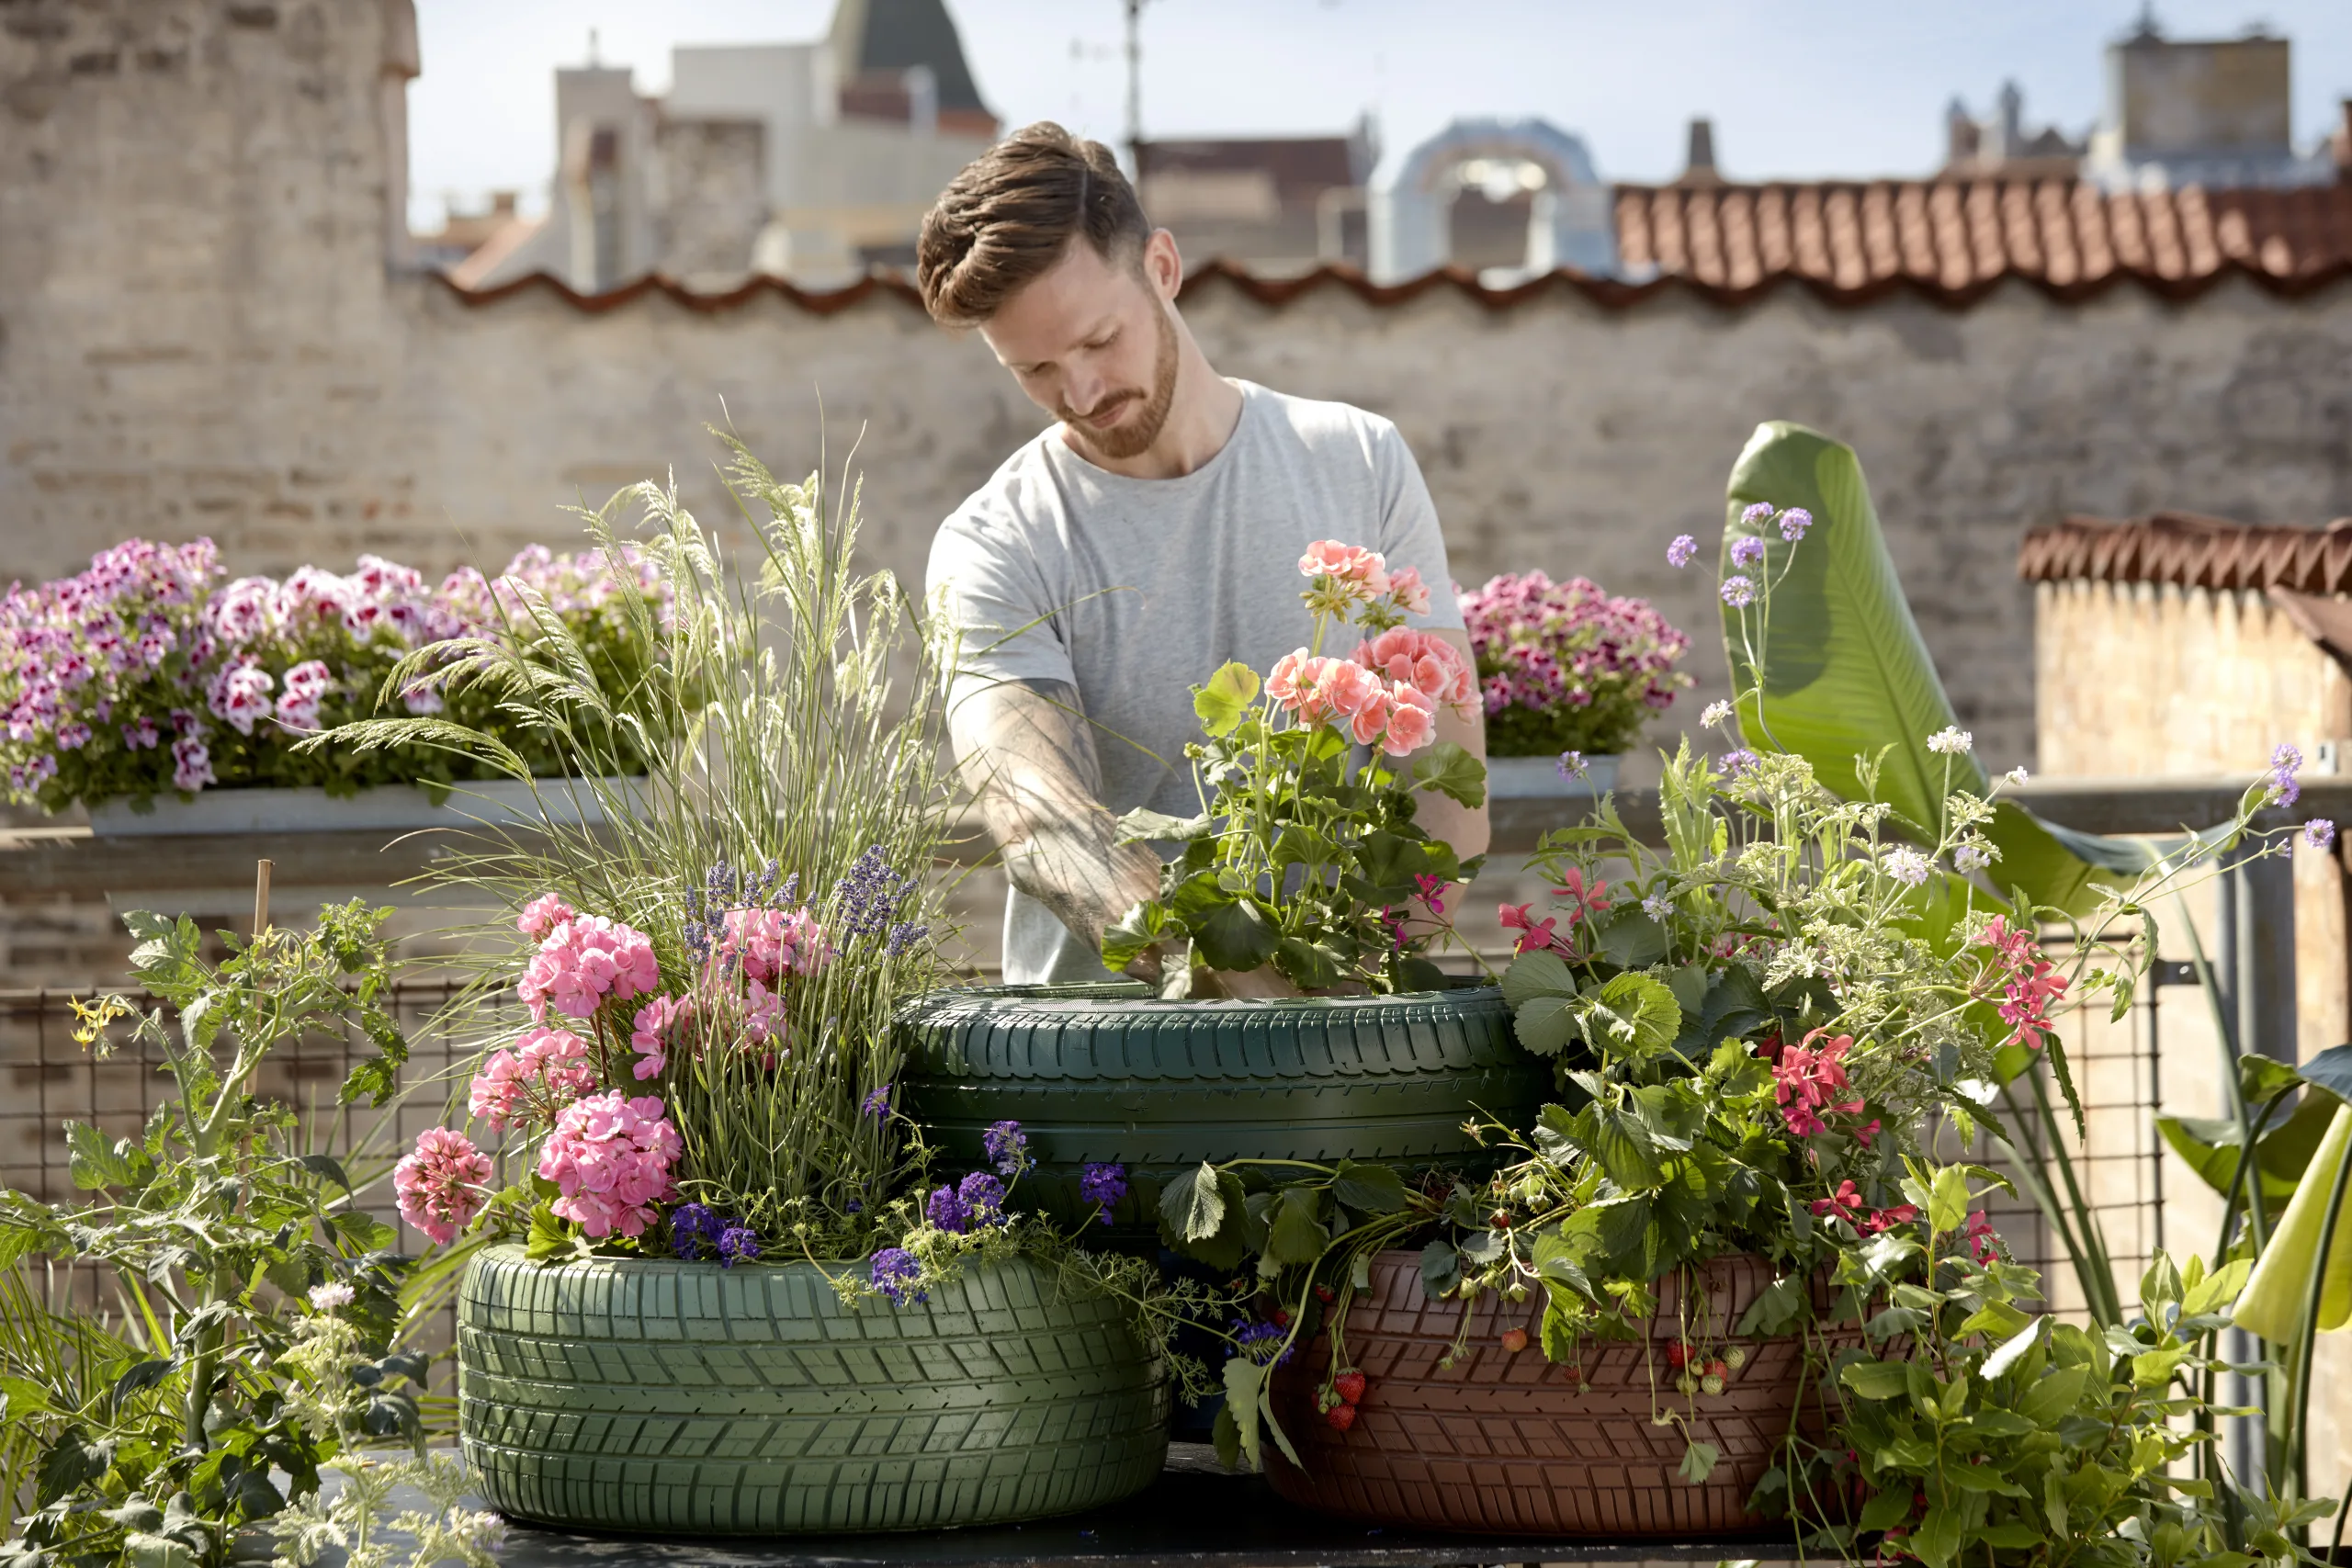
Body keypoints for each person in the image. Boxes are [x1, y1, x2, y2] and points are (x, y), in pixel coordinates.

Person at [917, 121, 1487, 988]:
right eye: (1033, 369)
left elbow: (1448, 783)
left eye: (1099, 340)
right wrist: (1240, 993)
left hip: (1346, 1051)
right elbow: (1036, 813)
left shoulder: (1361, 462)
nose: (1079, 391)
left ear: (1163, 268)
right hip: (1097, 1074)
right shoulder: (995, 540)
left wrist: (1363, 995)